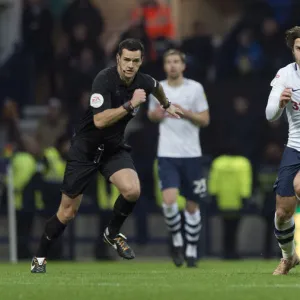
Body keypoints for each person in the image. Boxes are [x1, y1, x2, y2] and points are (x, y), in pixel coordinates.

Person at [31, 38, 182, 273]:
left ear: (141, 61)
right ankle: (39, 257)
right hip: (86, 149)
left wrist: (166, 104)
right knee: (67, 212)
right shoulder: (103, 79)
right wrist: (131, 105)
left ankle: (111, 233)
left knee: (133, 190)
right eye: (126, 60)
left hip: (112, 148)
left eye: (135, 61)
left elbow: (156, 86)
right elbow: (99, 121)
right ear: (118, 60)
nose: (130, 65)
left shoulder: (143, 80)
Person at [147, 49, 210, 267]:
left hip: (191, 154)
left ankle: (191, 250)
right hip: (167, 153)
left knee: (192, 205)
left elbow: (205, 119)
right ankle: (176, 240)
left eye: (176, 62)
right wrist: (156, 114)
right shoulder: (158, 88)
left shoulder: (195, 88)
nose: (172, 65)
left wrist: (186, 112)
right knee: (169, 201)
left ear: (183, 66)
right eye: (168, 62)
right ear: (164, 66)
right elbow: (151, 114)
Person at [265, 26, 300, 275]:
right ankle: (289, 257)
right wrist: (280, 103)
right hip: (295, 147)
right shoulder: (285, 75)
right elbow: (269, 115)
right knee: (282, 212)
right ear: (293, 49)